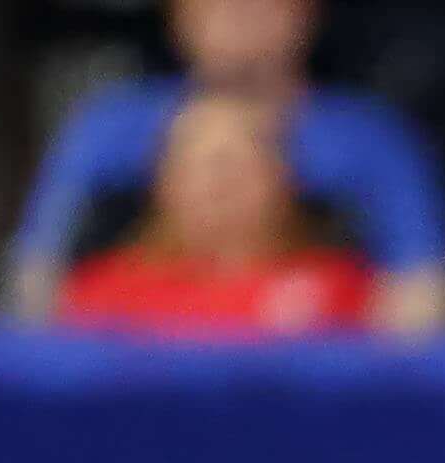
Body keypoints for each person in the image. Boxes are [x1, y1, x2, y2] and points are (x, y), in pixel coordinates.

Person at [7, 0, 445, 333]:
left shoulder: (368, 138)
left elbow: (419, 291)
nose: (238, 9)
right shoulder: (106, 128)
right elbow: (37, 282)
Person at [50, 95, 375, 338]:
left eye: (238, 163)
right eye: (198, 165)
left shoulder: (344, 293)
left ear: (284, 179)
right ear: (162, 183)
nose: (218, 182)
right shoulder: (101, 298)